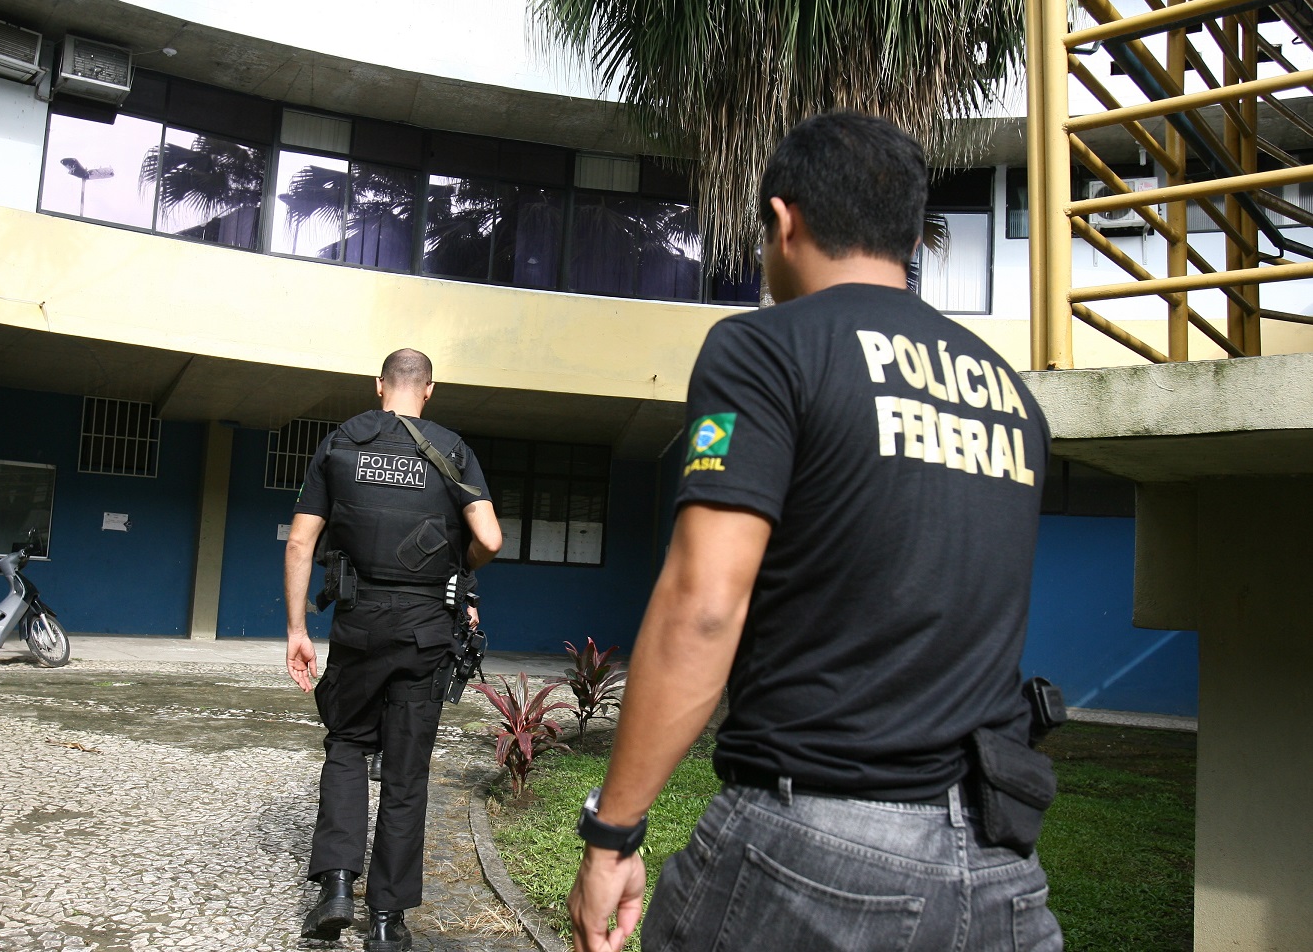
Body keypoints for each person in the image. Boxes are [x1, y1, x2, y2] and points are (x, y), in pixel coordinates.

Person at [567, 113, 1062, 952]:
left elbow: (705, 605)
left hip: (815, 860)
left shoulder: (763, 351)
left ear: (784, 221)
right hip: (1001, 868)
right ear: (911, 237)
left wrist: (614, 832)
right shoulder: (1010, 394)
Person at [284, 348, 502, 952]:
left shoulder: (340, 443)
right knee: (406, 775)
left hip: (358, 624)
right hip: (424, 627)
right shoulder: (452, 449)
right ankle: (386, 923)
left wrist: (297, 630)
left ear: (380, 386)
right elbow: (489, 536)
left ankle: (334, 890)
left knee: (348, 744)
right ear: (427, 390)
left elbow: (301, 543)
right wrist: (459, 570)